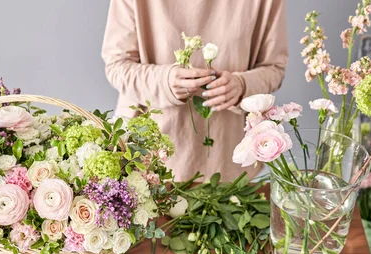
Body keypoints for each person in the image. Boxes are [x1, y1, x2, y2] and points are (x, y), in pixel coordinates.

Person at [101, 0, 287, 182]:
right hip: (150, 164)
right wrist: (164, 81)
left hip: (229, 158)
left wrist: (242, 85)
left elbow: (274, 67)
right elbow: (117, 65)